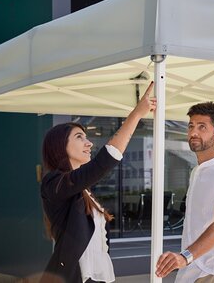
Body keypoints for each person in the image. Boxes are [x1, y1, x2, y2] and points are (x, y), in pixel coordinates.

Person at [40, 82, 156, 283]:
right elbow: (104, 162)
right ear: (60, 147)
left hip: (99, 277)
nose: (89, 143)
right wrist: (136, 114)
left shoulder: (83, 190)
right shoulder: (54, 183)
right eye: (79, 137)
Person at [156, 102, 214, 283]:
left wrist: (185, 257)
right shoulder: (196, 172)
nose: (193, 133)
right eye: (191, 126)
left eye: (202, 127)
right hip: (191, 273)